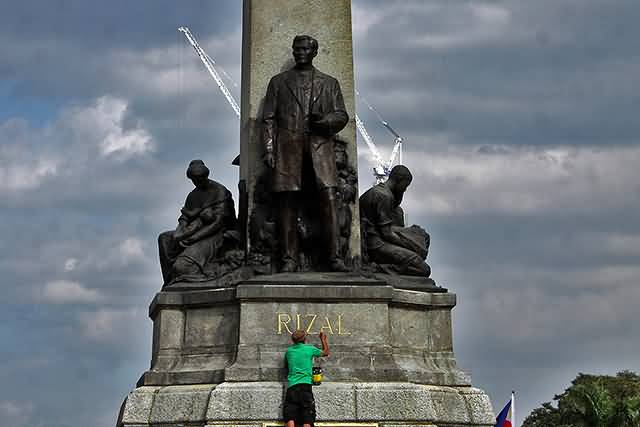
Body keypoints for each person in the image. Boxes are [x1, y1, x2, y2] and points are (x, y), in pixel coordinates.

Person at [262, 35, 349, 273]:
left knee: (330, 199)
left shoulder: (329, 83)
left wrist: (325, 122)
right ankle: (289, 258)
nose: (299, 52)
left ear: (314, 52)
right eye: (296, 49)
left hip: (320, 149)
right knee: (287, 201)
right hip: (288, 150)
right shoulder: (278, 82)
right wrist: (269, 150)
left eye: (304, 49)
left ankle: (334, 257)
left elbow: (342, 115)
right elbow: (268, 118)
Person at [158, 160, 237, 284]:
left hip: (215, 234)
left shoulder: (220, 191)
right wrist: (181, 230)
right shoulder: (193, 195)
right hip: (194, 230)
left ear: (206, 176)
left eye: (199, 179)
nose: (196, 182)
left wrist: (193, 238)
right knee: (164, 238)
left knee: (181, 267)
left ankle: (192, 275)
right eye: (194, 180)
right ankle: (170, 280)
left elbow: (218, 224)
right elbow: (184, 217)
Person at [359, 165, 431, 277]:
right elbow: (387, 234)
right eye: (405, 186)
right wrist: (413, 245)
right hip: (376, 245)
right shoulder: (384, 196)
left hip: (376, 239)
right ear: (399, 180)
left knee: (421, 235)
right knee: (423, 269)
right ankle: (378, 269)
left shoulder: (380, 193)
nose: (405, 189)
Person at [283, 330, 330, 427]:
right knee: (307, 416)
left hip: (292, 386)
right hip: (305, 386)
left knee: (290, 415)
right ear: (305, 339)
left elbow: (286, 366)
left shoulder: (289, 351)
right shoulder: (309, 349)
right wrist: (323, 339)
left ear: (293, 340)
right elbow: (326, 352)